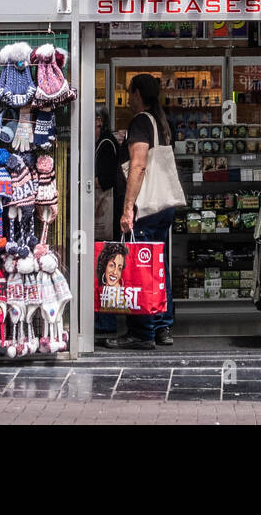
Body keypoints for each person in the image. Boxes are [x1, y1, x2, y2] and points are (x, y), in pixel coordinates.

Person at [117, 73, 176, 349]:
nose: (129, 99)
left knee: (142, 267)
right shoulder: (162, 123)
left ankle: (141, 331)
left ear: (138, 93)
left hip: (147, 206)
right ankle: (163, 326)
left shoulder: (141, 121)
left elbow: (139, 165)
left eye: (130, 93)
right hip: (163, 206)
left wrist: (128, 208)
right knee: (159, 267)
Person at [94, 107, 125, 346]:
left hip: (105, 217)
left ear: (99, 121)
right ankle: (103, 323)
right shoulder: (106, 142)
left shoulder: (105, 144)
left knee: (106, 268)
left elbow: (104, 181)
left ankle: (106, 325)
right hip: (105, 216)